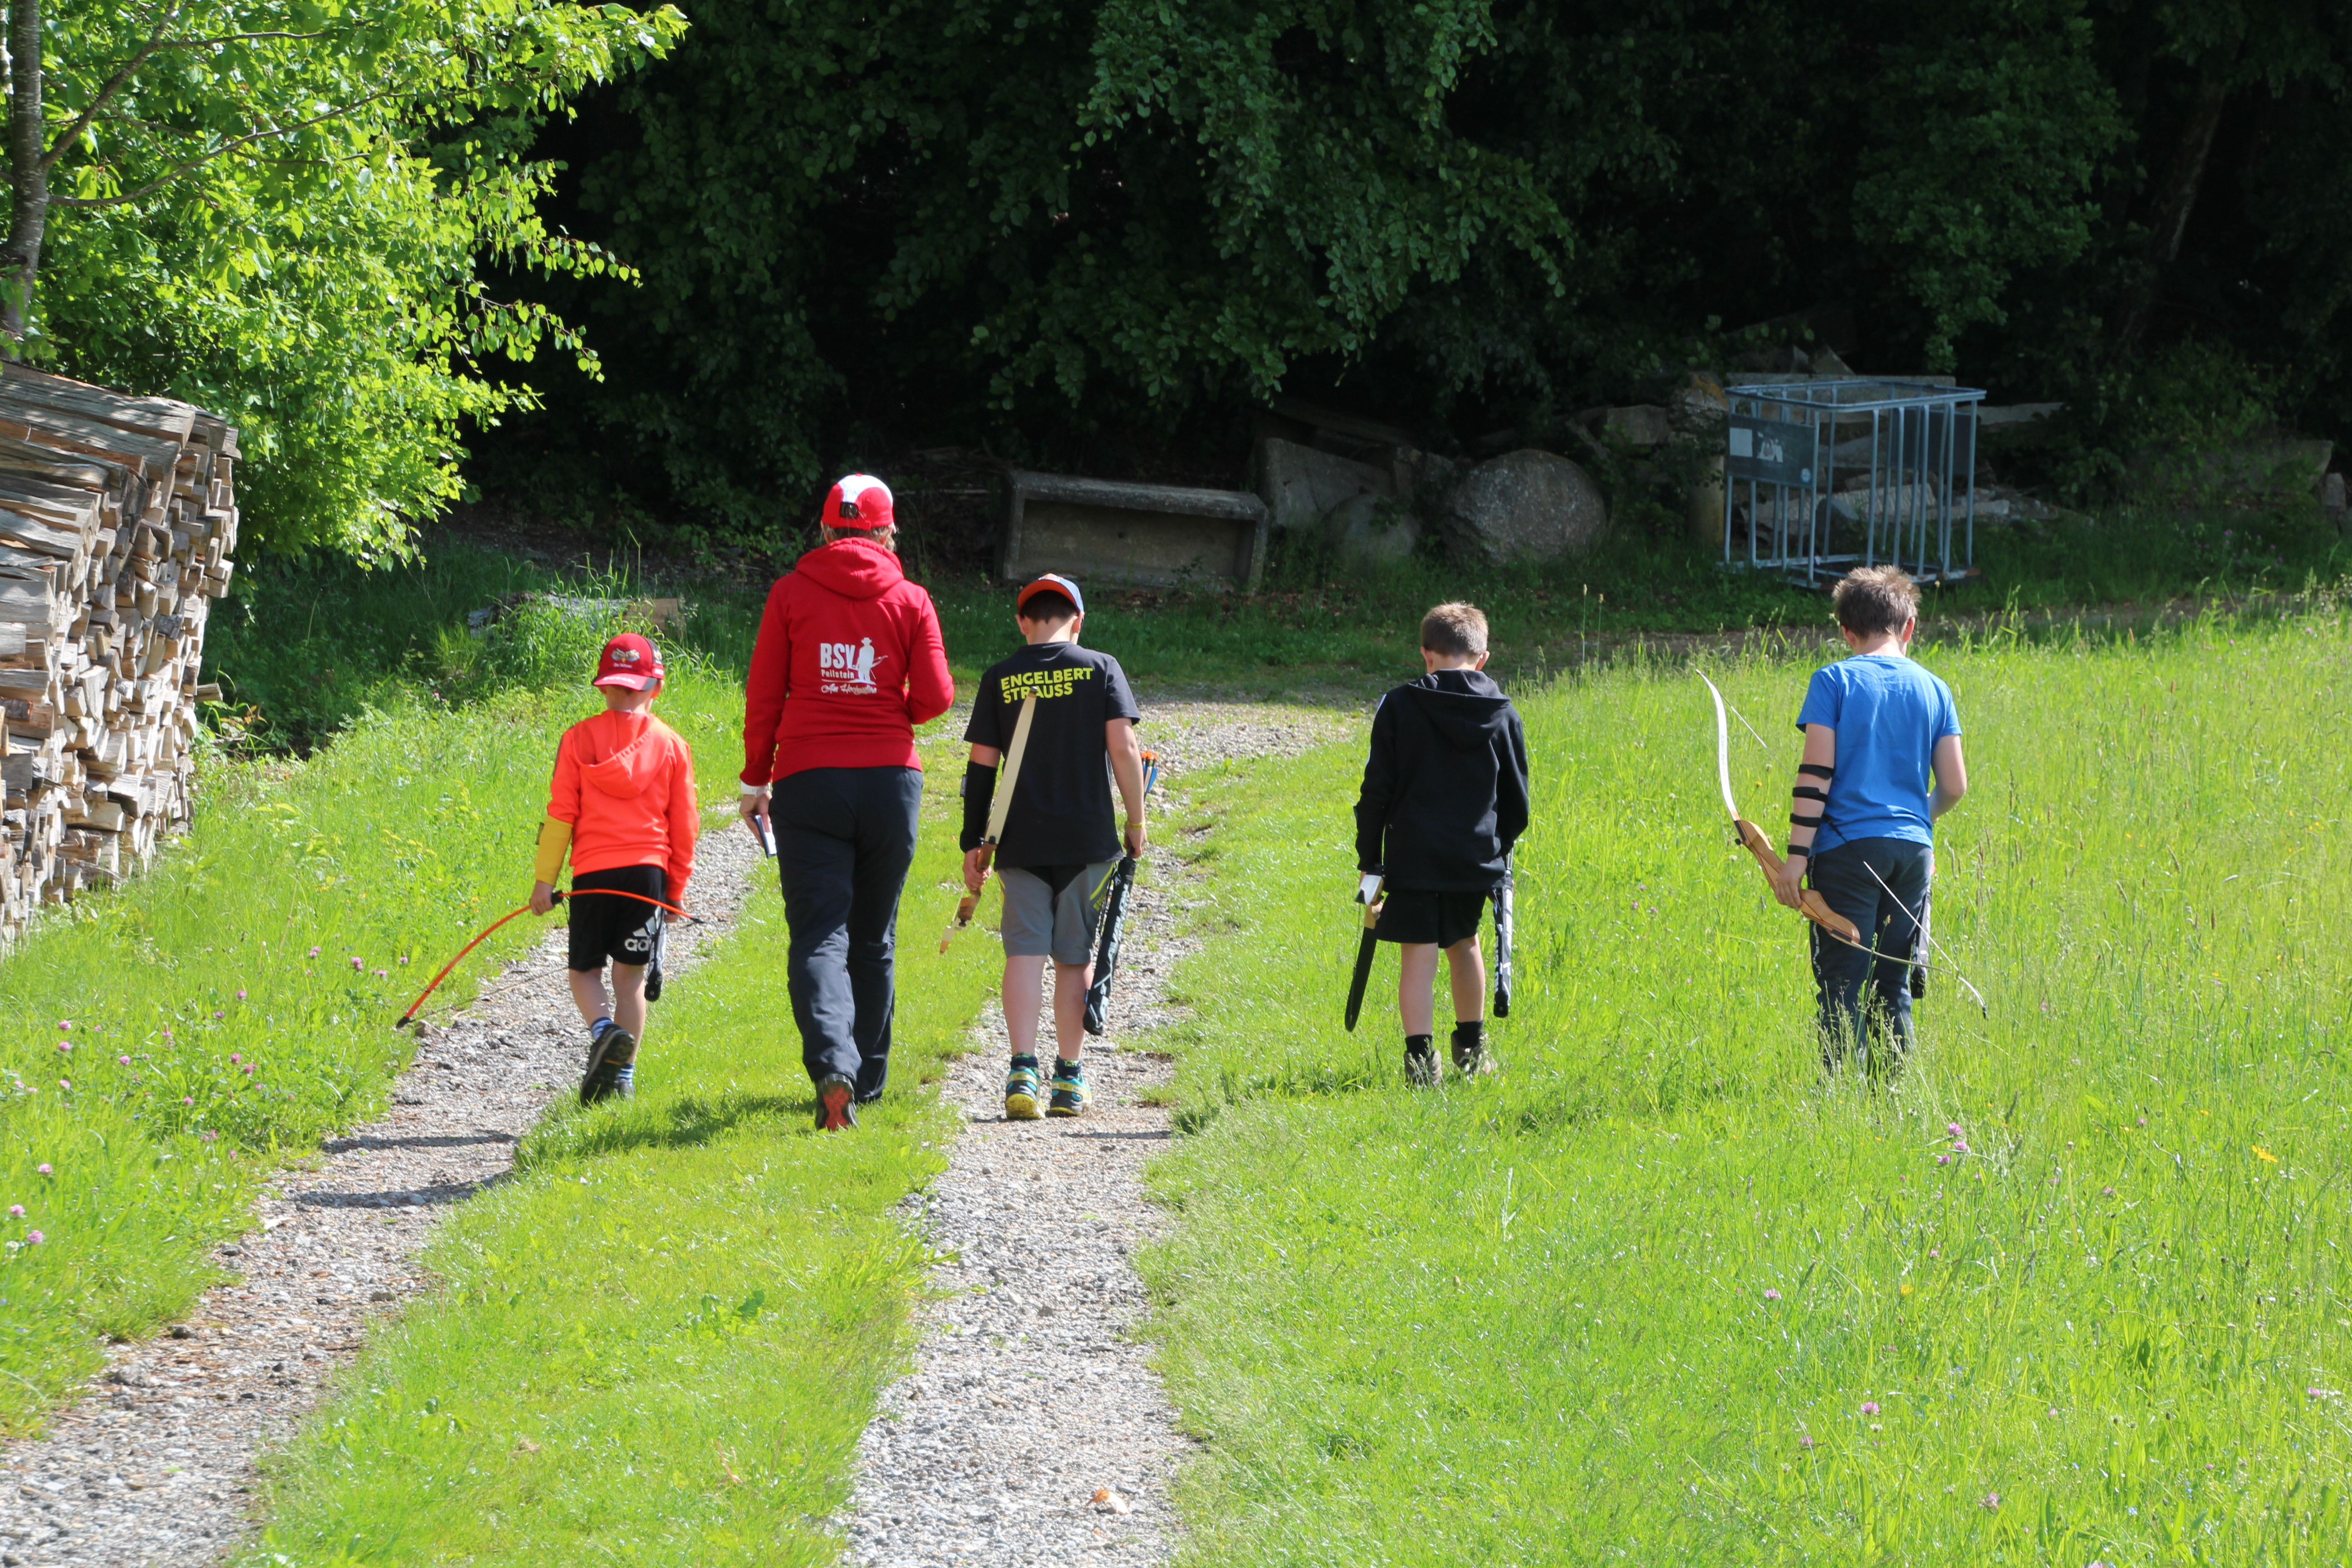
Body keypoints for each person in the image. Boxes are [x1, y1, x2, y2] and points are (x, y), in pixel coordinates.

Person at [740, 475, 954, 1132]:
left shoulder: (790, 593)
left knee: (819, 935)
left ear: (827, 529)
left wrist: (755, 781)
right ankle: (869, 1082)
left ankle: (834, 1065)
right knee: (873, 937)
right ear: (888, 533)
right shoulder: (912, 598)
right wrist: (893, 705)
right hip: (891, 783)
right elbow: (937, 696)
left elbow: (765, 694)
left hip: (810, 781)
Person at [960, 574, 1147, 1120]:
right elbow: (1124, 746)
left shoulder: (1000, 677)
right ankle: (1068, 1079)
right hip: (1086, 840)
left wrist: (974, 842)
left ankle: (1022, 1069)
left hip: (1019, 841)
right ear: (1078, 621)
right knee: (1074, 957)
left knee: (1023, 954)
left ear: (1023, 622)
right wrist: (1137, 820)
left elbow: (981, 765)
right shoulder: (1101, 668)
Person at [1773, 564, 1967, 1075]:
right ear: (1909, 627)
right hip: (1913, 853)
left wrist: (1795, 860)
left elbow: (1816, 775)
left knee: (1842, 981)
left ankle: (1840, 1098)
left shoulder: (1833, 680)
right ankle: (1893, 1097)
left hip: (1846, 854)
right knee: (1893, 982)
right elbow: (1954, 786)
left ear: (1846, 632)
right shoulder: (1936, 688)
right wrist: (1914, 820)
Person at [1353, 602, 1529, 1085]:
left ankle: (1419, 1065)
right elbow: (1518, 800)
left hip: (1412, 856)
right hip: (1475, 856)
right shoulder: (1504, 713)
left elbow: (1376, 792)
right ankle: (1472, 1052)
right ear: (1483, 658)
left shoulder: (1398, 706)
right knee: (1466, 944)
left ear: (1426, 655)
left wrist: (1370, 859)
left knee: (1419, 955)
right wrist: (1498, 849)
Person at [531, 632, 698, 1104]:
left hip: (593, 875)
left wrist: (545, 881)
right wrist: (676, 890)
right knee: (631, 980)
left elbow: (561, 815)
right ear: (656, 687)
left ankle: (604, 1031)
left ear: (604, 686)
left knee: (584, 970)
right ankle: (623, 1078)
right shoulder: (672, 745)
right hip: (647, 875)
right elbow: (685, 824)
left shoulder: (578, 739)